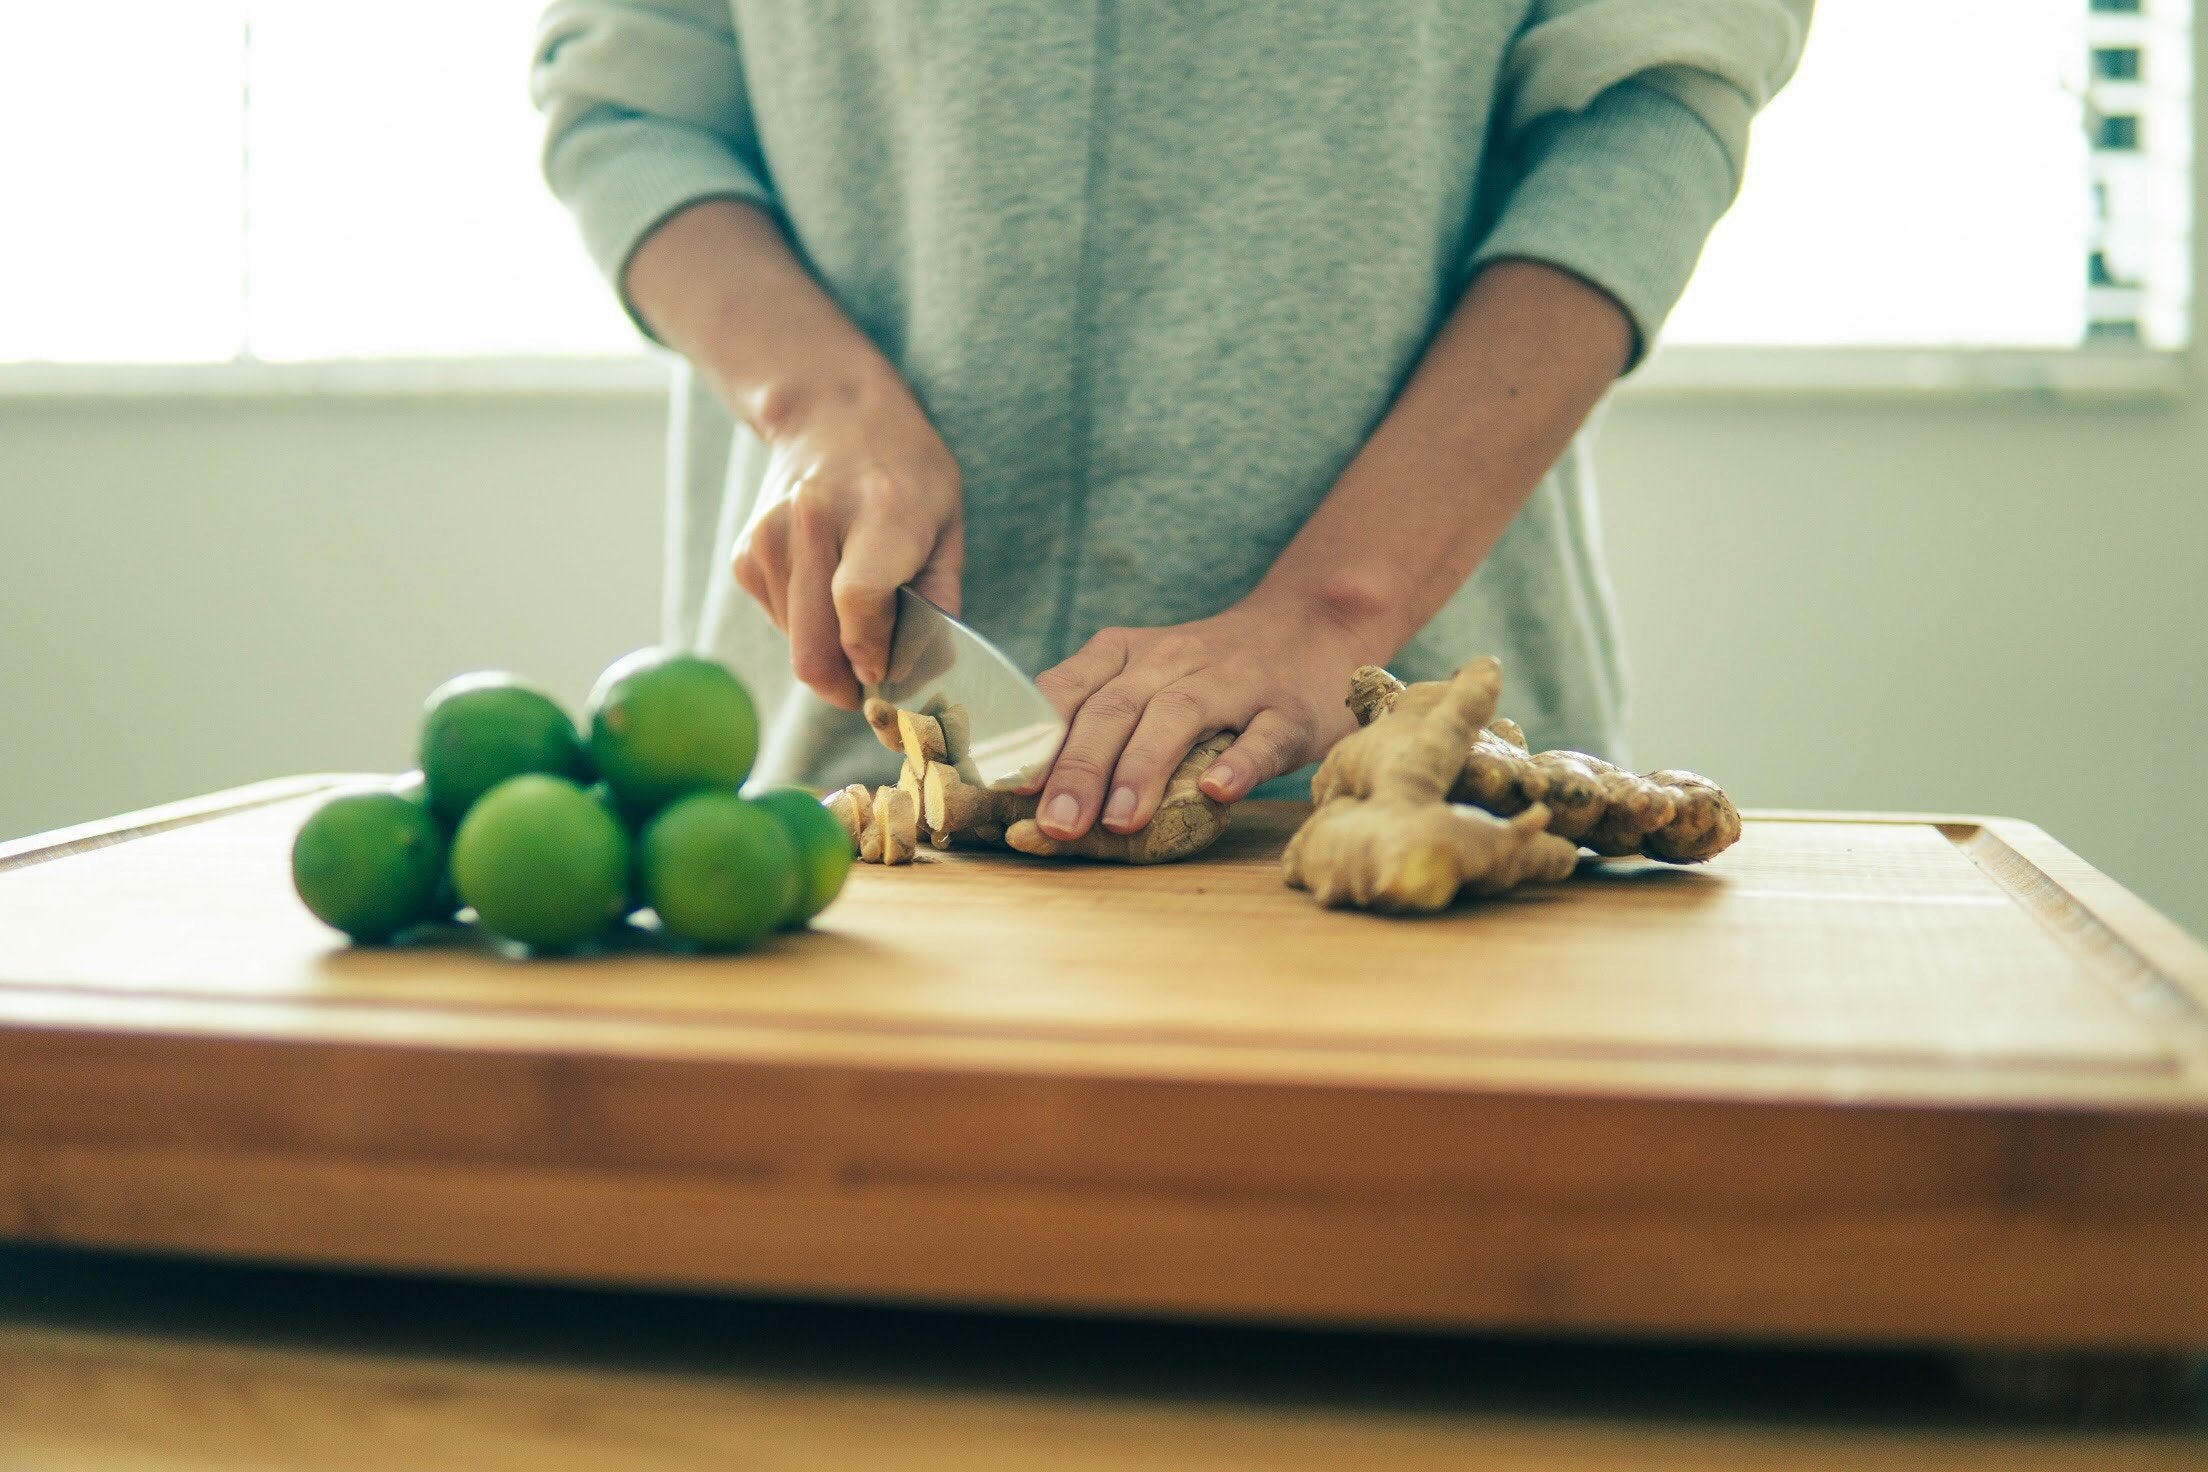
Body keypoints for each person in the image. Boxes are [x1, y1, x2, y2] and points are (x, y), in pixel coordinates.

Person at [532, 2, 1809, 844]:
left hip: (1410, 792)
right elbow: (630, 95)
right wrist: (817, 403)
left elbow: (1650, 106)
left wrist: (1338, 606)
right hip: (847, 781)